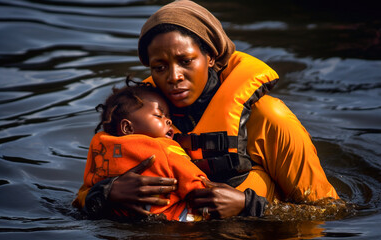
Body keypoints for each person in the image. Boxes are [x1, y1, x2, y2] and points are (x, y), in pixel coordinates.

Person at [75, 0, 339, 220]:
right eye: (160, 67)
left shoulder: (268, 118)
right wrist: (106, 194)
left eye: (185, 61)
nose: (174, 76)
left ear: (211, 57)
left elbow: (329, 211)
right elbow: (81, 199)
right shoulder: (139, 117)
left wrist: (250, 207)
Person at [74, 80, 233, 221]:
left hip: (115, 216)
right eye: (159, 115)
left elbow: (85, 192)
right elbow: (195, 183)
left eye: (167, 116)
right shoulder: (163, 149)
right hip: (169, 220)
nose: (169, 121)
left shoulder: (101, 149)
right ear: (127, 127)